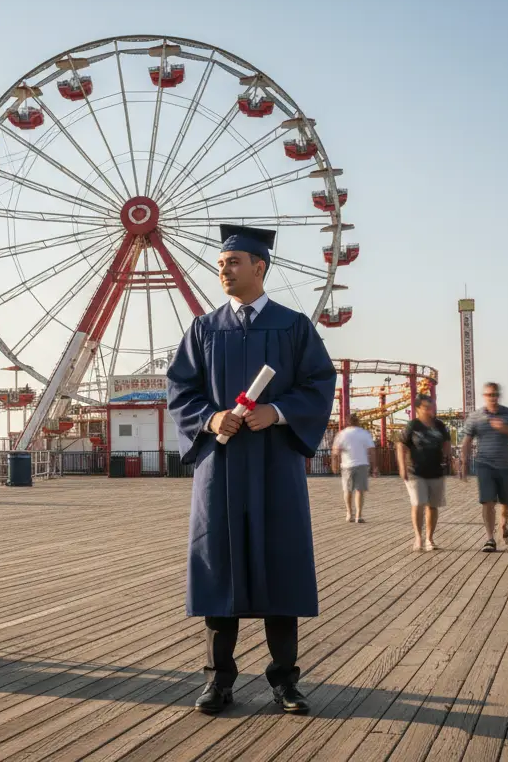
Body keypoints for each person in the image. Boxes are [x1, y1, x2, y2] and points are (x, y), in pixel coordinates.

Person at [167, 223, 336, 716]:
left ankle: (285, 680)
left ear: (260, 266)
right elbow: (181, 389)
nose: (224, 270)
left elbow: (319, 383)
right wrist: (211, 416)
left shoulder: (294, 326)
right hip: (220, 466)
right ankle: (218, 681)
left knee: (280, 565)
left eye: (233, 262)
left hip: (275, 464)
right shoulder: (204, 329)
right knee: (219, 568)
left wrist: (277, 413)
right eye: (220, 264)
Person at [459, 382, 508, 553]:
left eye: (495, 394)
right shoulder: (476, 416)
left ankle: (504, 524)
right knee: (487, 502)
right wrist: (464, 462)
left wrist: (504, 428)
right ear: (484, 396)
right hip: (484, 464)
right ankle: (489, 538)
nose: (492, 398)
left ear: (499, 395)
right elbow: (466, 440)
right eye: (489, 395)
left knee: (507, 503)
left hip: (506, 465)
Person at [398, 395, 451, 552]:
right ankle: (418, 537)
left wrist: (449, 458)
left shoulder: (439, 425)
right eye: (426, 407)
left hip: (436, 470)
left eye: (431, 407)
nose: (430, 410)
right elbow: (401, 445)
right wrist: (402, 466)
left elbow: (447, 442)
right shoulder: (413, 425)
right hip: (415, 471)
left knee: (433, 506)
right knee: (418, 502)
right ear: (418, 409)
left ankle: (429, 538)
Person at [331, 413, 375, 523]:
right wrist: (375, 466)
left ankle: (349, 513)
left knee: (347, 490)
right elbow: (372, 451)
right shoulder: (364, 433)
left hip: (347, 465)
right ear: (358, 422)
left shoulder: (342, 434)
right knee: (360, 490)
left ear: (347, 422)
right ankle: (359, 515)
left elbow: (335, 451)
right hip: (362, 464)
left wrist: (334, 464)